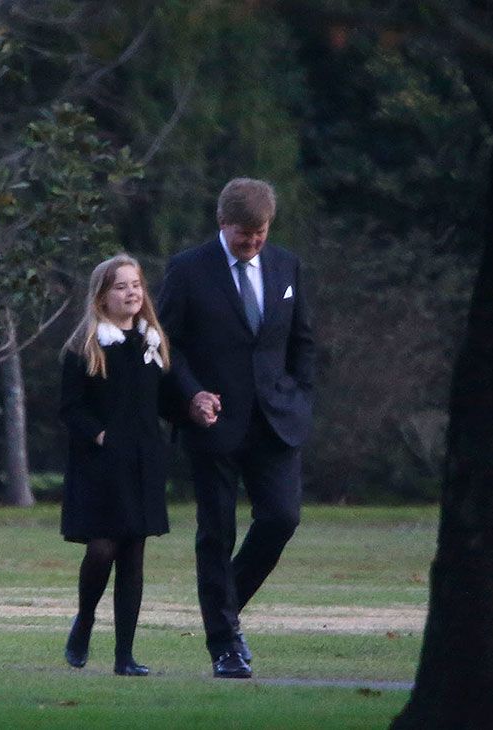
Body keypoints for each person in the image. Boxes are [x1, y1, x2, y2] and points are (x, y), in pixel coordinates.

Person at [157, 178, 314, 679]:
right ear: (222, 224)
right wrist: (191, 395)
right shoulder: (187, 270)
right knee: (217, 531)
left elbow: (301, 340)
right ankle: (223, 643)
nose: (253, 243)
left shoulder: (287, 265)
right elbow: (167, 344)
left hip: (276, 421)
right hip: (213, 422)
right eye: (244, 234)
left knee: (281, 519)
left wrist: (301, 396)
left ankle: (223, 609)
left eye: (260, 233)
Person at [59, 253, 172, 677]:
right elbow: (71, 409)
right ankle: (84, 620)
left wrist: (198, 403)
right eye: (121, 286)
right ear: (102, 297)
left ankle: (125, 656)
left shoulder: (152, 342)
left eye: (136, 285)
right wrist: (100, 434)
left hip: (143, 463)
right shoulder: (85, 347)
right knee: (102, 547)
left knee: (133, 555)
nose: (131, 293)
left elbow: (167, 397)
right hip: (101, 466)